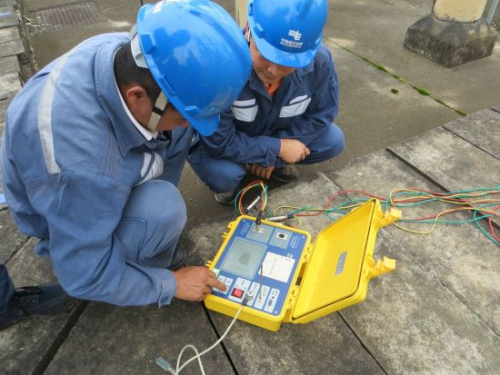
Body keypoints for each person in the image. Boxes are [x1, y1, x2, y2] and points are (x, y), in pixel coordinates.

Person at [0, 0, 251, 330]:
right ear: (136, 97)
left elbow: (173, 119)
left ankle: (143, 237)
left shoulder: (128, 52)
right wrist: (170, 283)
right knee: (164, 208)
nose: (185, 124)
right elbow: (81, 277)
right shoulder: (83, 168)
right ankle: (136, 258)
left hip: (83, 178)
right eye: (182, 115)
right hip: (59, 206)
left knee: (177, 137)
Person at [188, 0, 345, 204]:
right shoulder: (221, 66)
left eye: (288, 63)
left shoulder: (320, 62)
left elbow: (321, 114)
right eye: (265, 55)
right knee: (223, 175)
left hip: (272, 135)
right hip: (230, 142)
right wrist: (277, 149)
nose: (273, 70)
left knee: (332, 141)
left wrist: (274, 156)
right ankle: (236, 178)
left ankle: (272, 167)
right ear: (249, 32)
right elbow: (219, 141)